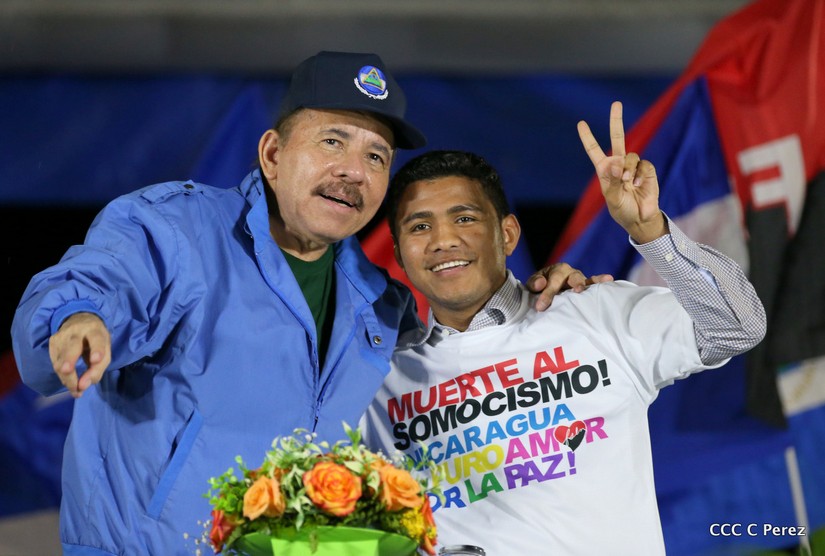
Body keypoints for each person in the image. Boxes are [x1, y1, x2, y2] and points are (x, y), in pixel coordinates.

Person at [11, 51, 594, 555]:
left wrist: (538, 302)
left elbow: (461, 360)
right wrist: (76, 319)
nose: (353, 172)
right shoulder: (178, 231)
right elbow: (98, 283)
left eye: (376, 156)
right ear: (272, 154)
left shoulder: (380, 305)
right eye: (332, 141)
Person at [360, 102, 767, 555]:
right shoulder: (376, 378)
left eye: (465, 218)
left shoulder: (595, 313)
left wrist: (651, 230)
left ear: (507, 234)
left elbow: (737, 326)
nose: (443, 240)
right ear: (400, 254)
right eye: (420, 226)